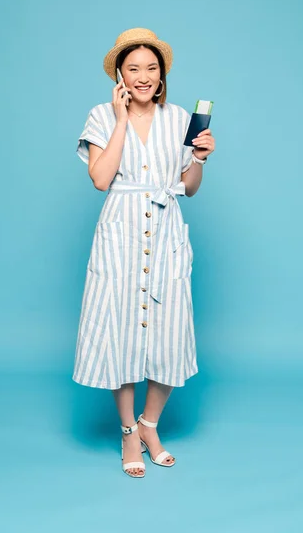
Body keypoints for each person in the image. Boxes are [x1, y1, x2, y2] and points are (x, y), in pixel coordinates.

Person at [73, 27, 215, 478]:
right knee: (120, 333)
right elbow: (100, 179)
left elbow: (188, 189)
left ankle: (150, 425)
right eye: (133, 68)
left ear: (162, 73)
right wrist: (120, 121)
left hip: (166, 228)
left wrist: (201, 161)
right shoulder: (100, 115)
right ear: (120, 73)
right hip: (121, 231)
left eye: (151, 68)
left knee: (169, 336)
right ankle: (127, 432)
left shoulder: (180, 120)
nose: (143, 76)